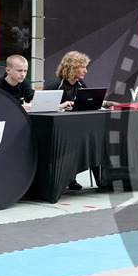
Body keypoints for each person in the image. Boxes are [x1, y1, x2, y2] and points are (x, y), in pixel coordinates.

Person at [45, 50, 92, 190]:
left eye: (85, 67)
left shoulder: (81, 84)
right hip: (57, 130)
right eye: (82, 67)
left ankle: (72, 177)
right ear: (72, 67)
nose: (85, 71)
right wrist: (62, 106)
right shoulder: (55, 85)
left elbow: (88, 101)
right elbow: (42, 107)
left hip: (75, 128)